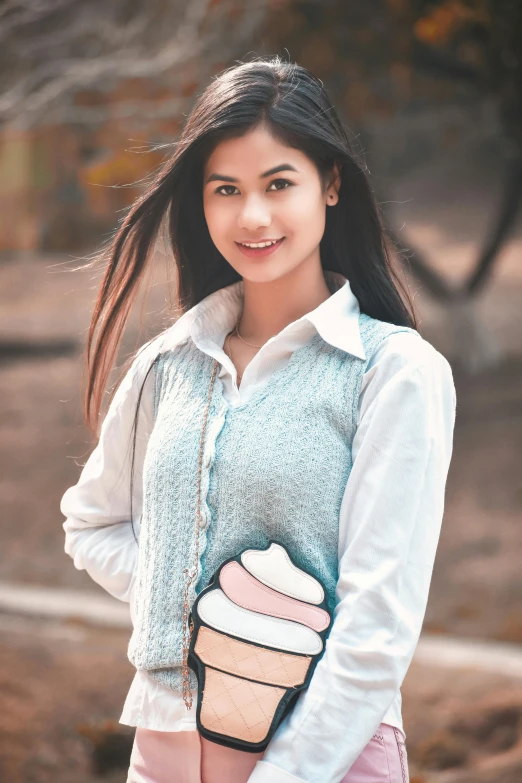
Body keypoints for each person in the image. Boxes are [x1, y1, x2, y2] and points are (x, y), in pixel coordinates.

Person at [60, 56, 456, 783]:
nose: (253, 216)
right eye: (226, 189)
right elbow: (91, 522)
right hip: (165, 747)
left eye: (279, 184)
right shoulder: (166, 364)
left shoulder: (394, 372)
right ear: (201, 201)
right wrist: (198, 597)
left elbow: (377, 627)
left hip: (325, 757)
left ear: (331, 183)